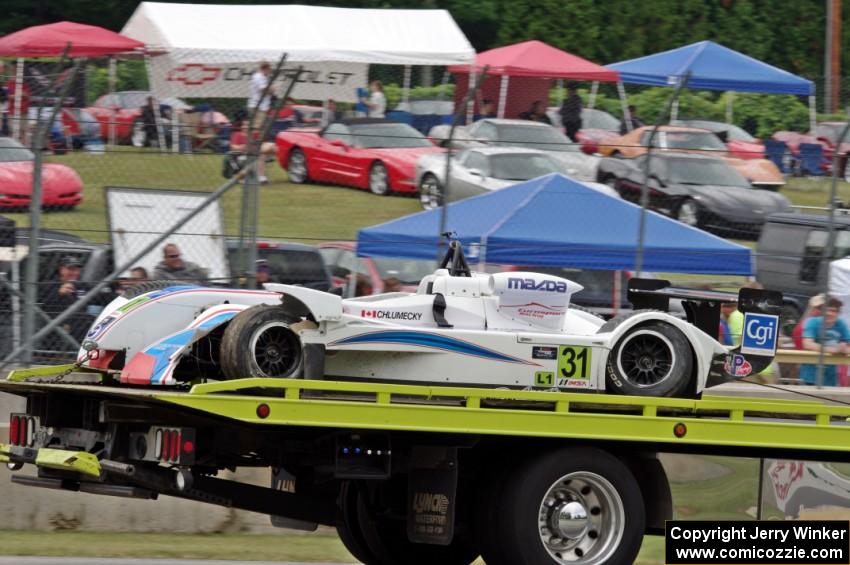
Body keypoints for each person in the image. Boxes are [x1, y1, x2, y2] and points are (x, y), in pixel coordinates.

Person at [800, 297, 850, 387]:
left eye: (833, 311)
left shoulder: (841, 324)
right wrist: (834, 350)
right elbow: (807, 344)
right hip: (811, 376)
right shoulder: (812, 322)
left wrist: (844, 349)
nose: (829, 313)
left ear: (838, 313)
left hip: (831, 378)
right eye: (827, 310)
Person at [248, 61, 275, 129]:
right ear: (266, 69)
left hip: (261, 106)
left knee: (262, 127)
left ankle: (256, 138)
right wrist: (272, 89)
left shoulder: (263, 77)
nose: (269, 72)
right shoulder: (259, 77)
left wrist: (271, 89)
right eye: (269, 70)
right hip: (258, 106)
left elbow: (268, 90)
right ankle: (254, 139)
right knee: (257, 128)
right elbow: (264, 90)